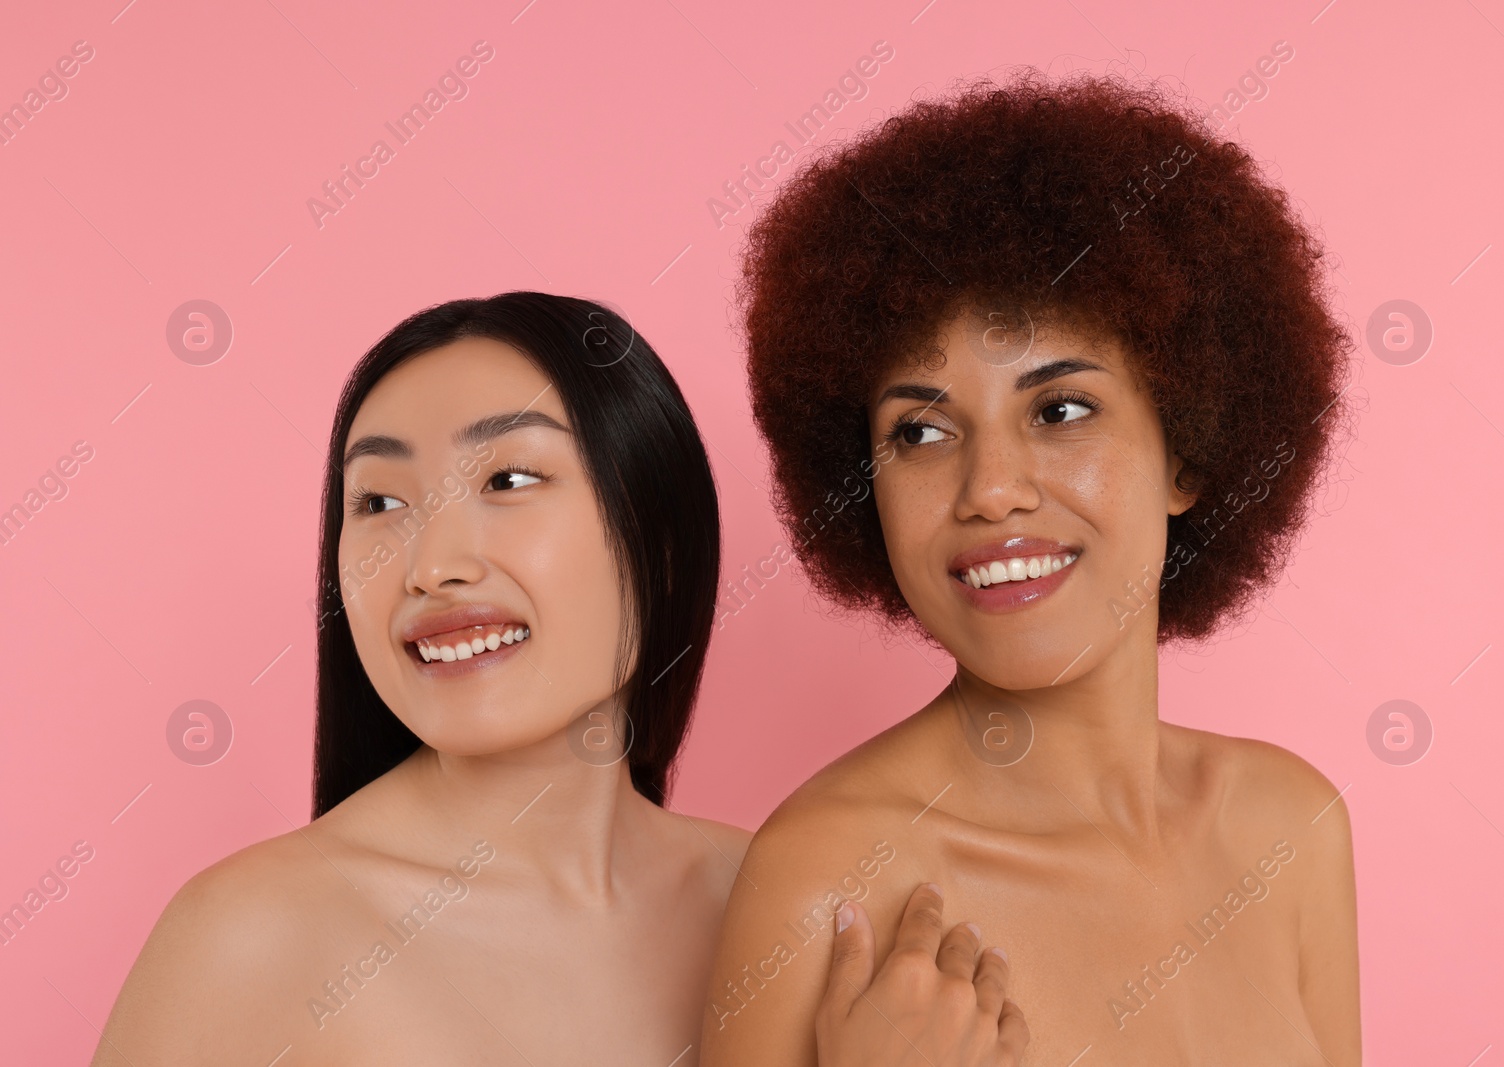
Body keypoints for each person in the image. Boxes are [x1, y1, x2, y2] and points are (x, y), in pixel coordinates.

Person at [93, 292, 1024, 1066]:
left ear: (658, 542)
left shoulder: (794, 902)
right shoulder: (247, 939)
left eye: (506, 479)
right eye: (378, 502)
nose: (432, 564)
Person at [703, 70, 1361, 1066]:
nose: (991, 489)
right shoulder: (823, 885)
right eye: (921, 431)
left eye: (1058, 411)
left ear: (1184, 450)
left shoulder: (1290, 830)